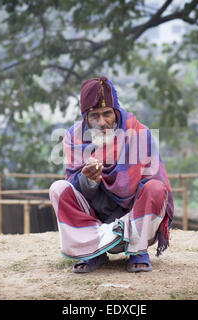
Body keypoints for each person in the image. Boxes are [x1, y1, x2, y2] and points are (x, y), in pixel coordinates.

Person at [49, 76, 174, 273]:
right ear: (85, 118)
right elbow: (74, 188)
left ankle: (137, 249)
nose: (102, 122)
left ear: (116, 112)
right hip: (93, 222)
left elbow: (152, 182)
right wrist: (89, 180)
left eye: (107, 114)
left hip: (131, 219)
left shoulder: (139, 133)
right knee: (59, 189)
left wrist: (125, 182)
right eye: (94, 116)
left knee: (156, 188)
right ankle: (91, 251)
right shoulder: (74, 137)